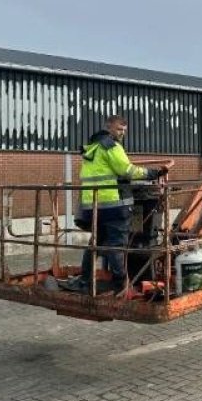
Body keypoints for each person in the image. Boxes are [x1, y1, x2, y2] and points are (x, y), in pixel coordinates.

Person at [64, 114, 167, 294]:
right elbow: (126, 171)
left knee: (94, 244)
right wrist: (153, 174)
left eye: (124, 131)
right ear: (109, 127)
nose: (122, 134)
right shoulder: (111, 146)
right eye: (119, 129)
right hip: (114, 206)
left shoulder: (92, 149)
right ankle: (121, 285)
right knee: (117, 245)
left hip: (94, 207)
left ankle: (85, 281)